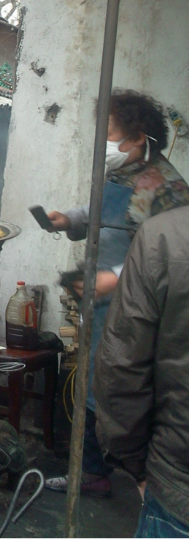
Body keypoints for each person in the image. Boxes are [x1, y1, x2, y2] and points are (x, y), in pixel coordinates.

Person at [41, 90, 188, 496]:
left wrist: (115, 279)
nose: (102, 142)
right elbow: (98, 215)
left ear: (138, 138)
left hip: (139, 309)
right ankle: (91, 471)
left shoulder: (169, 190)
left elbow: (174, 261)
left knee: (120, 386)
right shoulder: (119, 174)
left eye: (108, 133)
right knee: (91, 381)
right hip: (103, 303)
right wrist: (68, 219)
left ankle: (147, 480)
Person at [94, 207, 188, 538]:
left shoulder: (164, 232)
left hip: (178, 489)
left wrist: (136, 467)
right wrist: (69, 220)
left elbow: (122, 369)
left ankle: (97, 470)